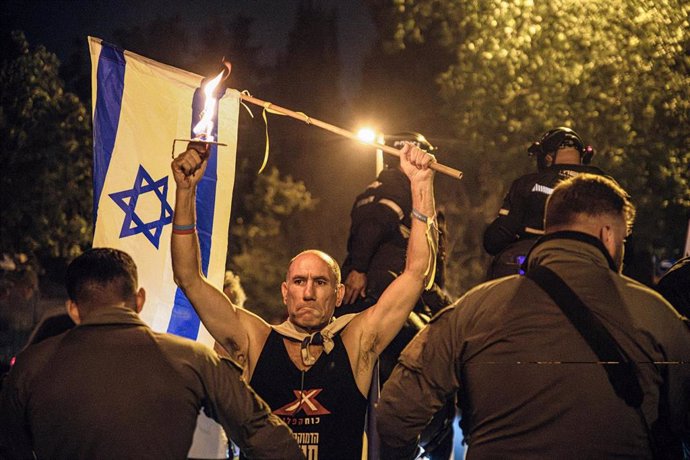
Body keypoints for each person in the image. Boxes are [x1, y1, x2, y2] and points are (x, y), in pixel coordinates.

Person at [377, 174, 690, 459]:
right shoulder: (657, 316)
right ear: (608, 235)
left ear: (549, 227)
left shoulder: (473, 310)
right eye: (622, 241)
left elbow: (395, 416)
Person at [171, 141, 438, 459]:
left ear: (339, 295)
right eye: (299, 281)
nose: (308, 292)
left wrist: (421, 185)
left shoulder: (356, 343)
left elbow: (416, 273)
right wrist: (185, 193)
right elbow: (188, 278)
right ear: (285, 292)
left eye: (320, 282)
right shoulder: (256, 340)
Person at [0, 248, 303, 460]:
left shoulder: (30, 367)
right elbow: (264, 435)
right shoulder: (191, 359)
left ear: (73, 310)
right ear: (139, 299)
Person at [339, 132, 454, 458]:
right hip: (389, 293)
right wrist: (359, 268)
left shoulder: (379, 186)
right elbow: (374, 224)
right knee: (440, 358)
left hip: (385, 292)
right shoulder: (396, 185)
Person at [483, 127, 610, 279]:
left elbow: (495, 239)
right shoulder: (606, 185)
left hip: (530, 274)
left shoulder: (526, 184)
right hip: (590, 273)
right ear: (583, 157)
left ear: (547, 158)